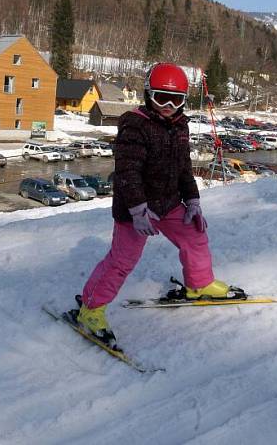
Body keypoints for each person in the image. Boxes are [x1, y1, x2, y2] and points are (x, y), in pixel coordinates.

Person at [75, 62, 243, 349]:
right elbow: (127, 172)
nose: (167, 106)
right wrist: (138, 209)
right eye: (160, 98)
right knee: (121, 261)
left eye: (176, 100)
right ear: (147, 95)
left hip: (168, 203)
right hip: (135, 209)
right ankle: (90, 309)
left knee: (195, 237)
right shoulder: (135, 124)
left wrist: (192, 200)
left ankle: (199, 284)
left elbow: (184, 167)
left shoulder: (180, 126)